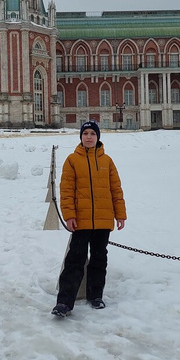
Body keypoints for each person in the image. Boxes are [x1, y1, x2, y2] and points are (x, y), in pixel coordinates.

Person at [52, 120, 127, 317]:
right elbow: (66, 190)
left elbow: (116, 190)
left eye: (92, 134)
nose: (89, 137)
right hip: (81, 220)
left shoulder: (107, 161)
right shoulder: (72, 160)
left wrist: (120, 214)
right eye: (85, 134)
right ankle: (64, 302)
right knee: (74, 260)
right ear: (81, 137)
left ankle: (96, 296)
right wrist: (69, 215)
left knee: (99, 259)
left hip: (103, 220)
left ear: (98, 137)